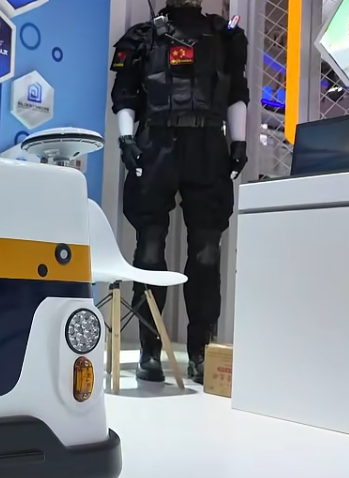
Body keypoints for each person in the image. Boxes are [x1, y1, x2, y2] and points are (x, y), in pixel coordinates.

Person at [109, 0, 249, 384]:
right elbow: (125, 93)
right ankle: (150, 349)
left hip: (208, 145)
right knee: (149, 249)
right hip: (156, 143)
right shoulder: (142, 37)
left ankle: (202, 351)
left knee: (206, 253)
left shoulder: (225, 37)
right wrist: (126, 139)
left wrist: (239, 141)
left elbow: (237, 91)